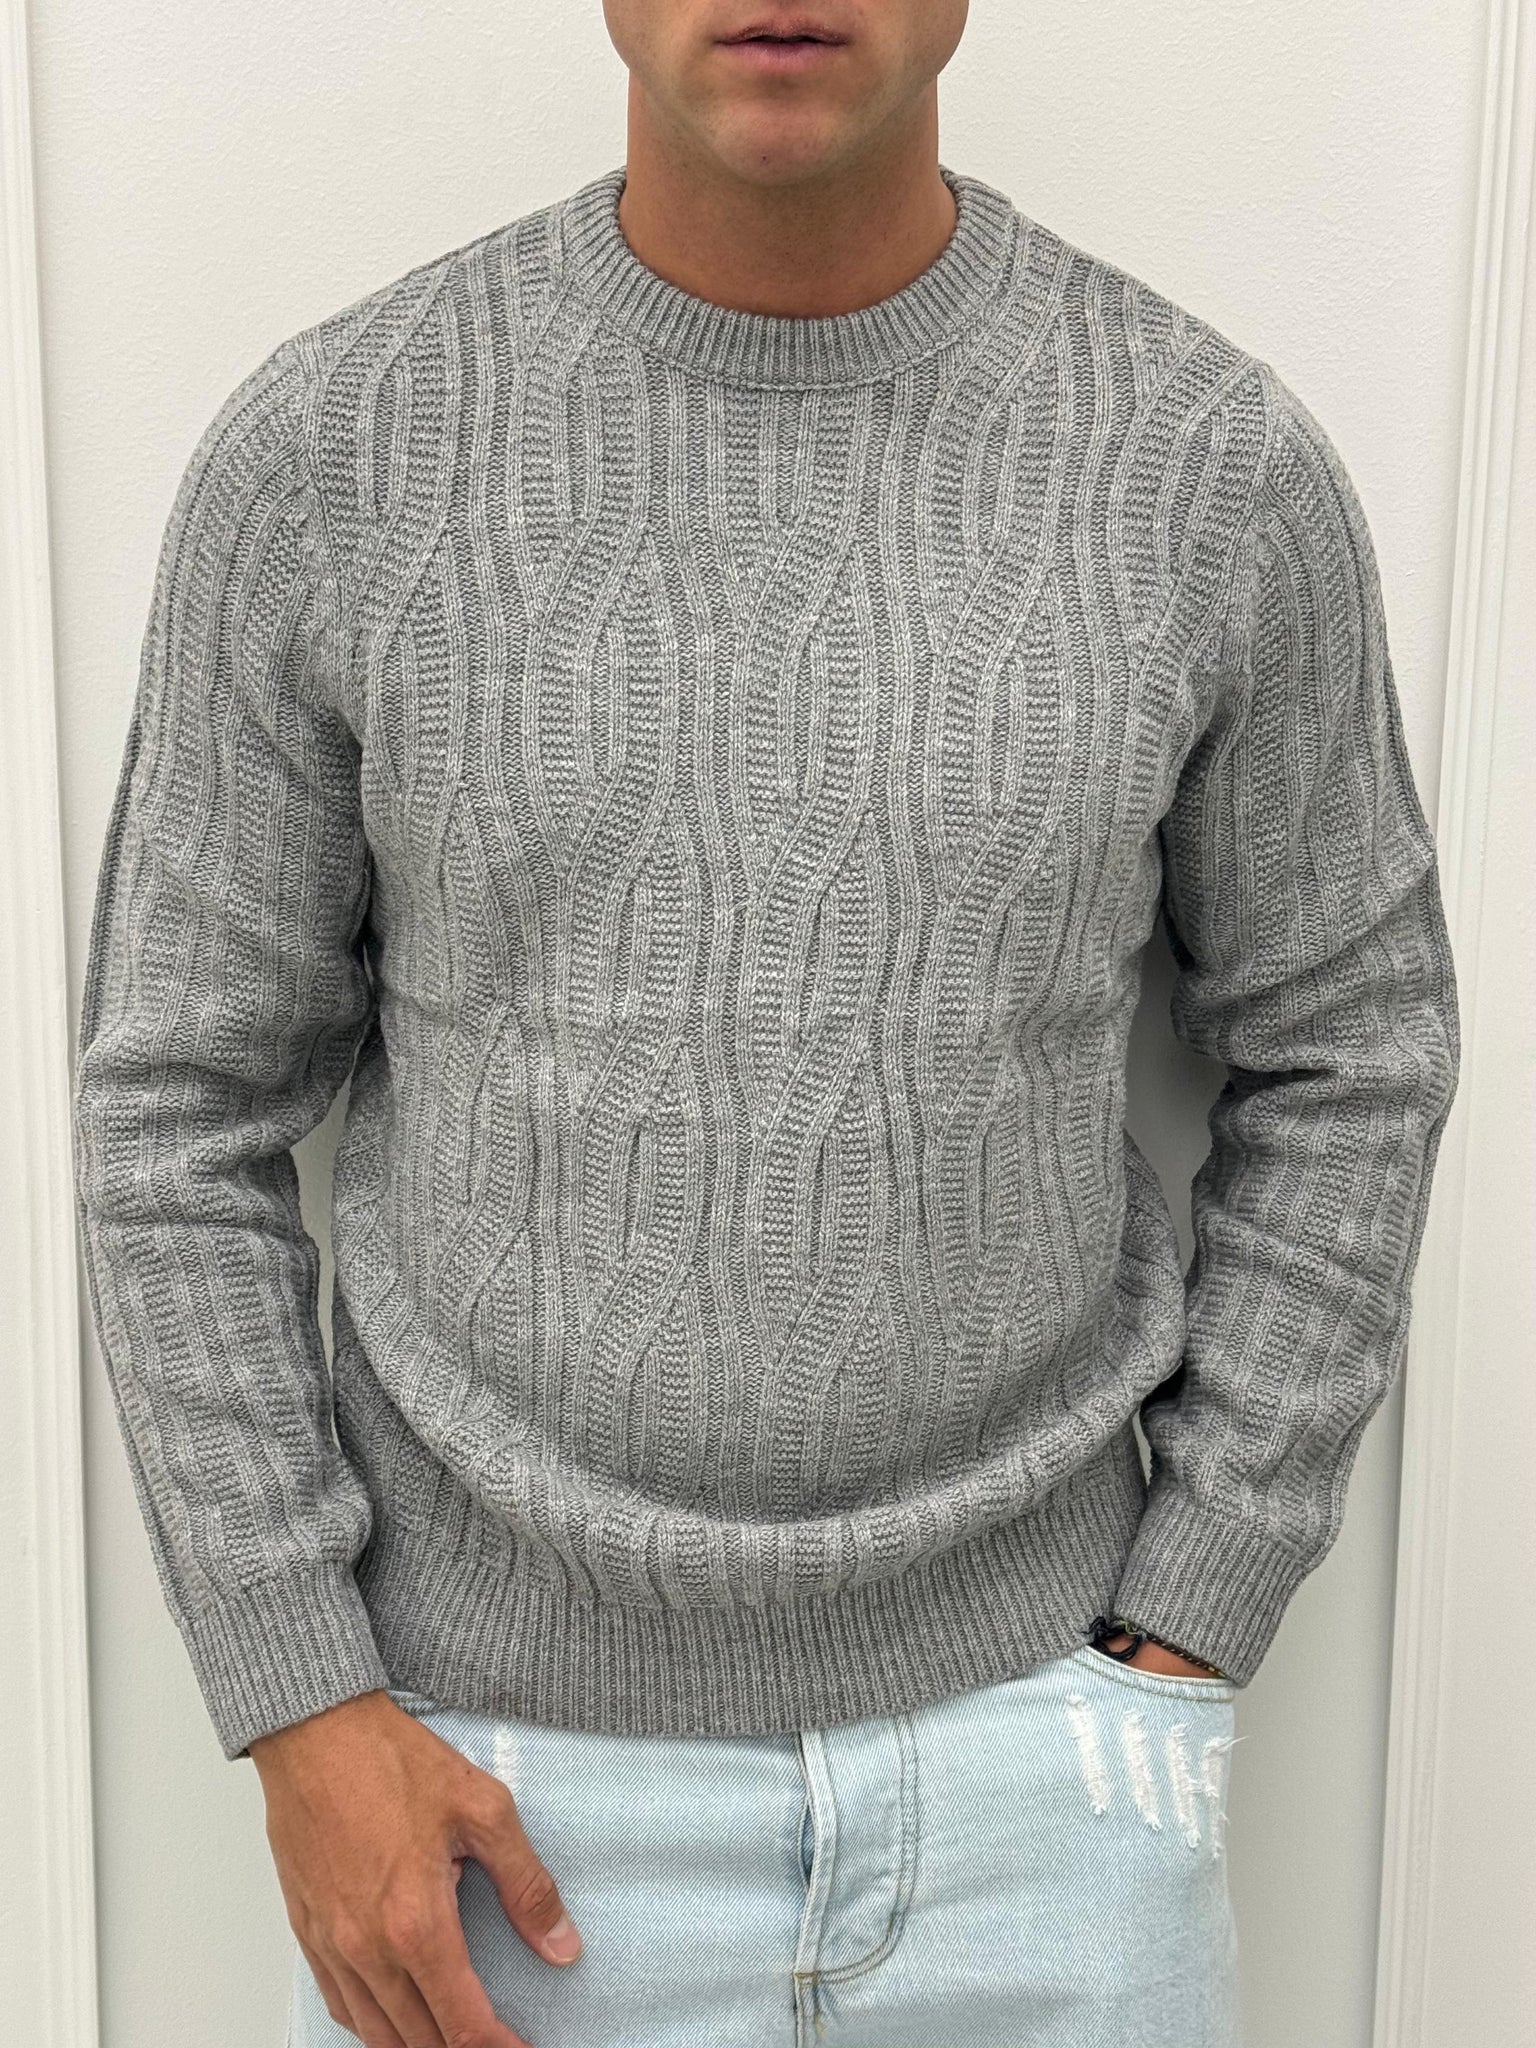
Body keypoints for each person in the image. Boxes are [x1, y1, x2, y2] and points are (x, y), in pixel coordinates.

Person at [70, 3, 1461, 2044]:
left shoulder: (1204, 468)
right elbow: (173, 1107)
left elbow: (1355, 1042)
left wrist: (1194, 1615)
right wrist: (300, 1700)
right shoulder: (337, 457)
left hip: (1048, 1794)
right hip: (484, 1815)